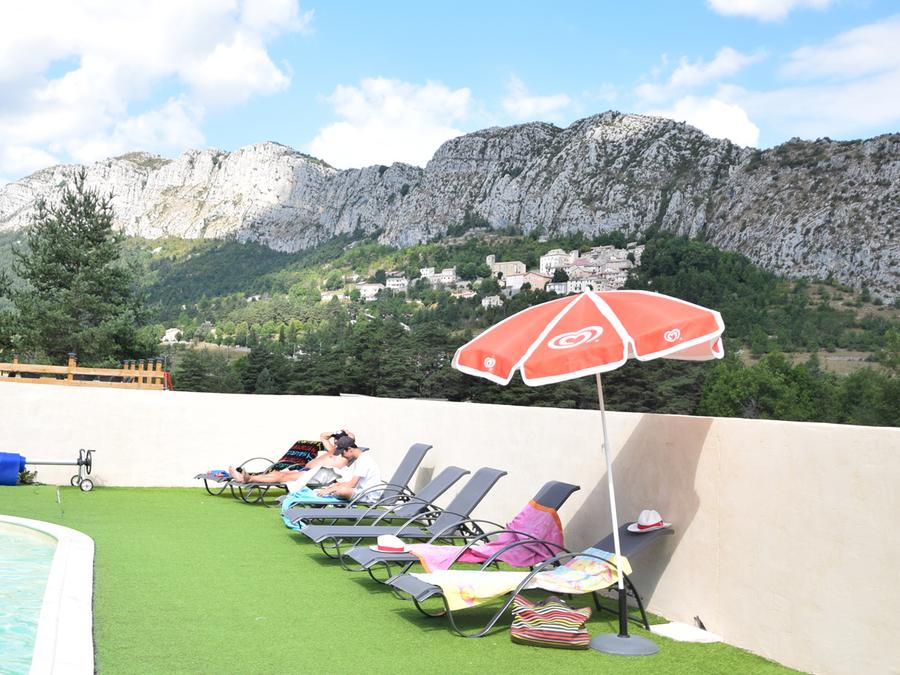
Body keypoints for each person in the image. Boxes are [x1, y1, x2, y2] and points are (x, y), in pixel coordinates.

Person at [228, 430, 353, 486]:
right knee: (277, 473)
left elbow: (351, 439)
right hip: (308, 471)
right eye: (336, 439)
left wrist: (346, 434)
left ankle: (248, 478)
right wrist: (335, 433)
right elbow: (323, 436)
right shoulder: (332, 449)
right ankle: (245, 478)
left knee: (282, 477)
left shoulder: (347, 450)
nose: (336, 440)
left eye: (339, 439)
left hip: (318, 475)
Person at [314, 436, 383, 503]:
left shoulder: (363, 460)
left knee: (341, 491)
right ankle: (325, 497)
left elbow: (352, 484)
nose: (342, 456)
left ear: (349, 449)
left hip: (368, 495)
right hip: (363, 491)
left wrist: (331, 489)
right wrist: (338, 484)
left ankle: (326, 496)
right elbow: (353, 483)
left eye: (342, 453)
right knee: (337, 487)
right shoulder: (361, 459)